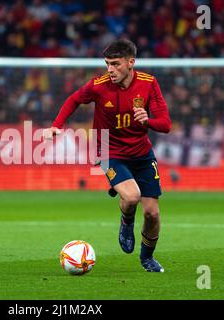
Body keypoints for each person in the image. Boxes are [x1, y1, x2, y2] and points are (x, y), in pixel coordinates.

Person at [43, 39, 171, 272]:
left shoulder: (149, 83)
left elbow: (165, 124)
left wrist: (148, 120)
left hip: (142, 153)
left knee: (152, 213)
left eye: (115, 64)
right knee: (132, 197)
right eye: (107, 64)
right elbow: (73, 100)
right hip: (108, 151)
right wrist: (56, 125)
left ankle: (147, 258)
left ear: (131, 62)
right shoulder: (98, 85)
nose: (110, 69)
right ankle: (126, 222)